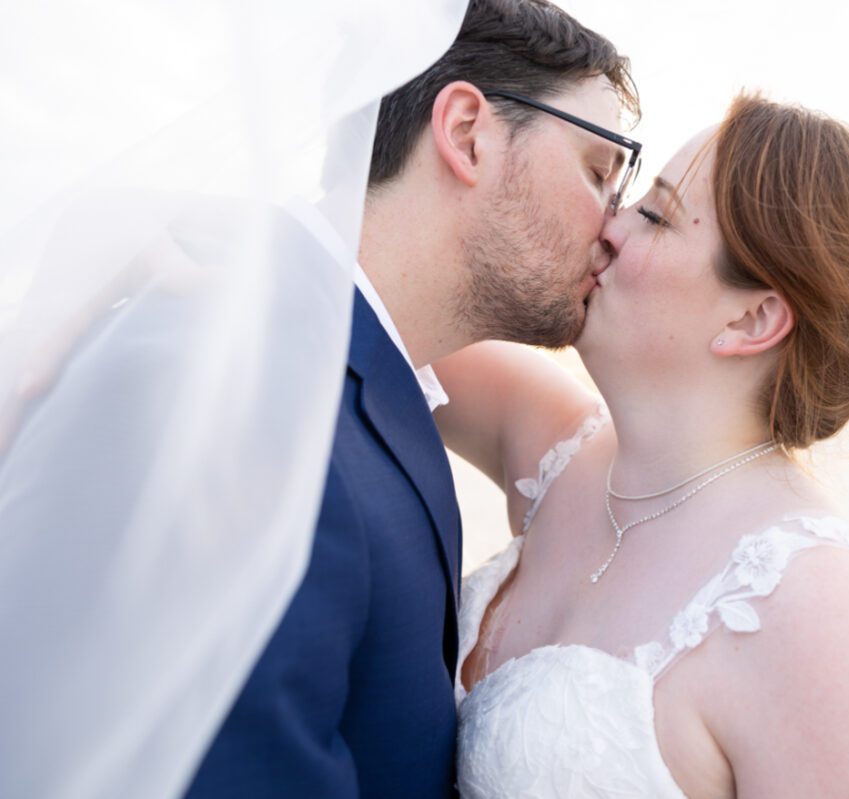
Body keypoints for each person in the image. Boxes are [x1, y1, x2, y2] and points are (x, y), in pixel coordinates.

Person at [435, 93, 849, 797]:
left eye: (654, 216)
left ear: (752, 318)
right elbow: (380, 292)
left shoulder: (818, 606)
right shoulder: (556, 447)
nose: (608, 226)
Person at [185, 1, 640, 796]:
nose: (613, 227)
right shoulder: (269, 409)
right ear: (467, 132)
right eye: (599, 171)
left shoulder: (378, 383)